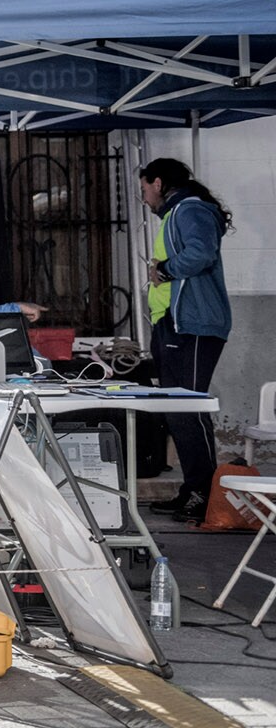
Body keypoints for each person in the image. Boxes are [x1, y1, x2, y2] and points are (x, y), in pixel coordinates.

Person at [141, 158, 233, 521]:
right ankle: (193, 489)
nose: (144, 198)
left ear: (159, 182)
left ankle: (206, 495)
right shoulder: (174, 214)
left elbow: (201, 252)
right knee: (175, 410)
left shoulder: (189, 210)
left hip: (194, 325)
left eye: (145, 189)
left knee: (188, 408)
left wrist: (164, 269)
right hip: (173, 323)